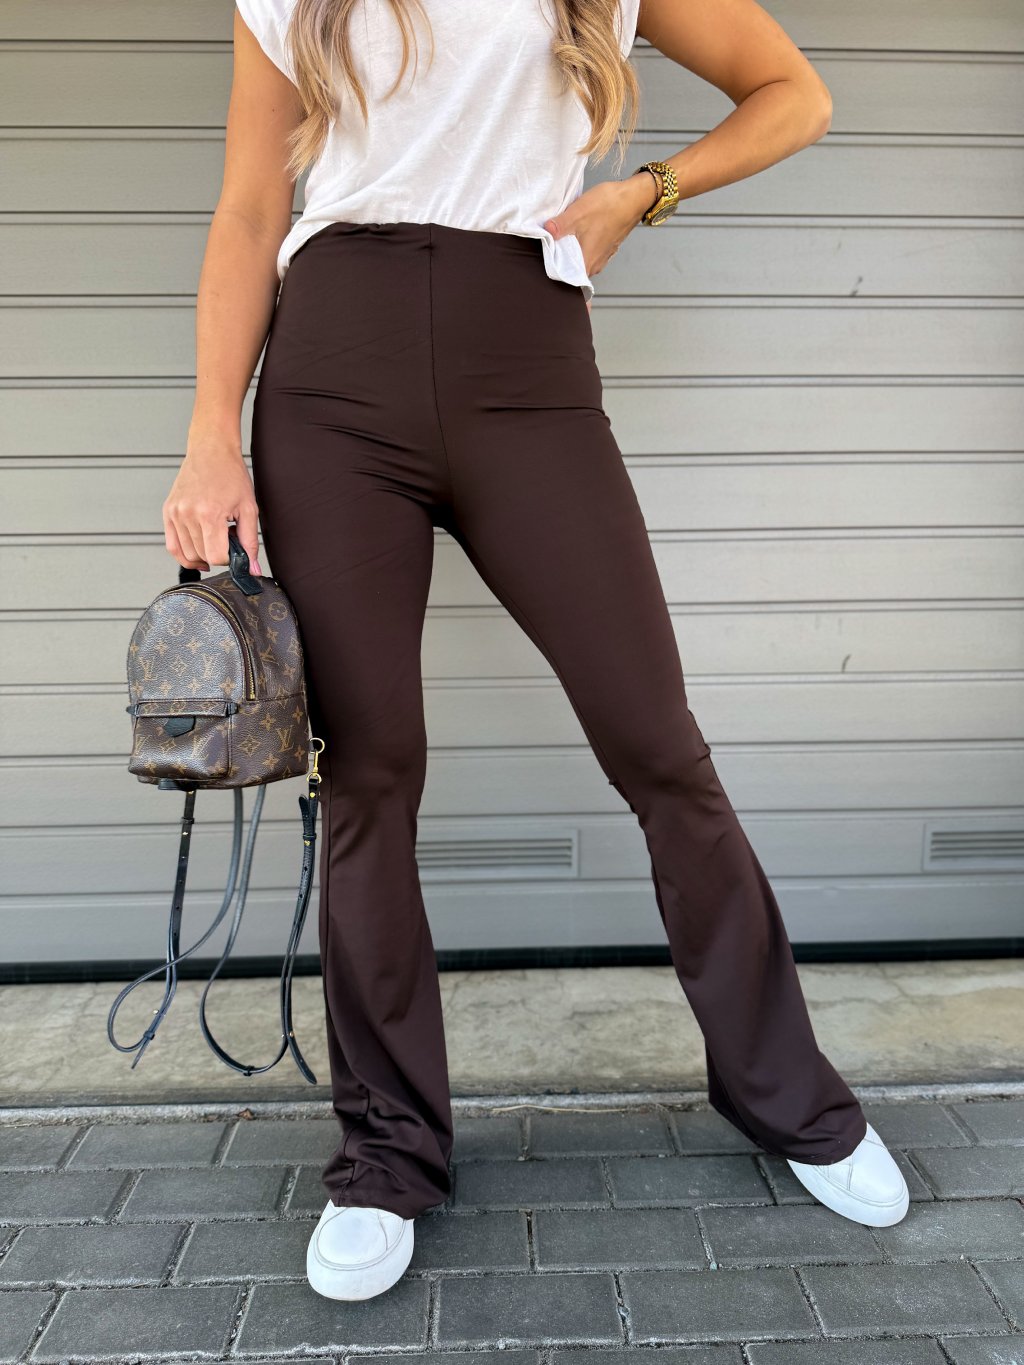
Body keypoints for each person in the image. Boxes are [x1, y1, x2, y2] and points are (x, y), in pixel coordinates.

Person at [163, 0, 909, 1304]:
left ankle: (791, 1096)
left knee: (658, 745)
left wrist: (642, 194)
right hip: (332, 373)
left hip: (529, 362)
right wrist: (210, 436)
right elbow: (247, 206)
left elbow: (795, 95)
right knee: (370, 770)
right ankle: (386, 1154)